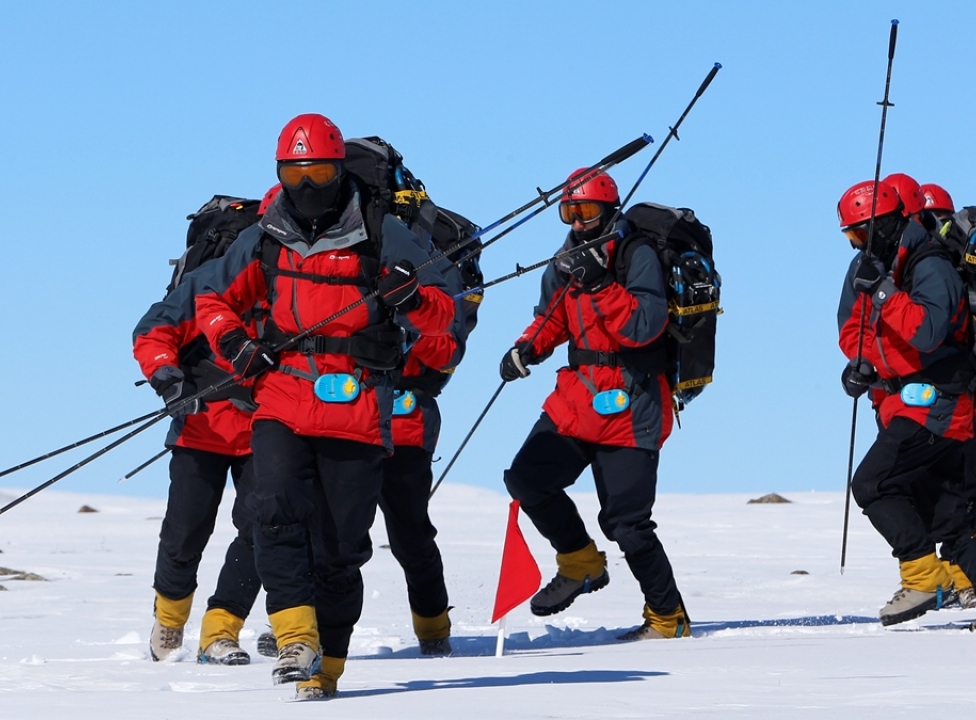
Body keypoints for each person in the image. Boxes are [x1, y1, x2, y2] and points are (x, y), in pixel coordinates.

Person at [192, 113, 454, 698]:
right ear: (279, 173)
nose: (307, 186)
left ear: (339, 171)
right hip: (282, 397)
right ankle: (294, 638)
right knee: (271, 509)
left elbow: (445, 317)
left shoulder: (385, 231)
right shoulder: (264, 233)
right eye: (295, 172)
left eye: (319, 172)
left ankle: (326, 664)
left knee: (341, 551)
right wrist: (234, 341)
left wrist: (413, 298)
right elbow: (211, 297)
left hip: (358, 408)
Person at [835, 179, 976, 632]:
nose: (855, 244)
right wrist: (863, 364)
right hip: (906, 401)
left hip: (939, 402)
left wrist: (884, 292)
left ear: (886, 222)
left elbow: (927, 331)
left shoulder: (931, 265)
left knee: (873, 484)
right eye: (849, 236)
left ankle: (923, 576)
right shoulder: (869, 266)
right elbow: (852, 327)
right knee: (951, 517)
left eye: (860, 233)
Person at [498, 168, 688, 640]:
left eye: (586, 211)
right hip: (579, 396)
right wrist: (527, 348)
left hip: (635, 400)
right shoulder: (565, 260)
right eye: (570, 212)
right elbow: (550, 318)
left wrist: (602, 284)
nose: (578, 221)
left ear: (608, 209)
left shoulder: (635, 254)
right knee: (527, 478)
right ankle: (580, 562)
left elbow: (644, 327)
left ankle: (668, 618)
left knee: (627, 523)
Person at [132, 194, 274, 665]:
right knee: (185, 531)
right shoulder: (206, 282)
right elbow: (154, 331)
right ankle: (169, 623)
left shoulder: (302, 290)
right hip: (201, 427)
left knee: (261, 528)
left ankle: (221, 630)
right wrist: (167, 379)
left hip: (266, 428)